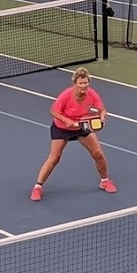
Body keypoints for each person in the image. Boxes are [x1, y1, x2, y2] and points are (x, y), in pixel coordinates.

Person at [30, 67, 116, 201]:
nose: (83, 86)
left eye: (86, 83)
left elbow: (102, 110)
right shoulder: (66, 95)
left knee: (98, 154)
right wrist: (67, 121)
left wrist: (102, 117)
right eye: (80, 83)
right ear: (75, 83)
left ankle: (105, 181)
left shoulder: (91, 94)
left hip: (82, 126)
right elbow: (53, 111)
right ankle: (37, 187)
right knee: (54, 158)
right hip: (61, 128)